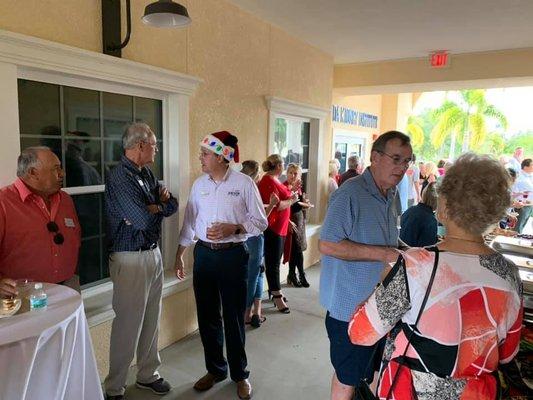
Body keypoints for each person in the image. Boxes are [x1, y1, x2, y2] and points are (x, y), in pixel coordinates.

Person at [349, 153, 523, 399]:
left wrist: (382, 282)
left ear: (443, 207)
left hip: (409, 391)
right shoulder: (509, 275)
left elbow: (360, 333)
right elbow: (507, 353)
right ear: (495, 214)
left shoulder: (415, 266)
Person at [319, 131, 413, 400]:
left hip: (380, 303)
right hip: (349, 307)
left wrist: (409, 251)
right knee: (347, 375)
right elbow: (328, 245)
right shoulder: (350, 194)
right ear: (375, 157)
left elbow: (387, 239)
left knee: (371, 370)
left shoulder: (391, 192)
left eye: (407, 161)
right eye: (396, 159)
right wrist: (385, 253)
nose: (402, 167)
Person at [175, 131, 267, 400]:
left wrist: (235, 227)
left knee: (234, 317)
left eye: (205, 154)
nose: (200, 158)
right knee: (207, 316)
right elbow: (190, 222)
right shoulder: (198, 184)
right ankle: (215, 369)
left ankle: (240, 374)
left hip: (233, 256)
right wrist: (180, 252)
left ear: (221, 157)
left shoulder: (244, 183)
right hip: (203, 255)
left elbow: (260, 222)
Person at [104, 123, 178, 400]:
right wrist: (154, 209)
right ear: (139, 146)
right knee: (127, 323)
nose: (156, 149)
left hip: (152, 253)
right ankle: (114, 387)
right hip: (129, 258)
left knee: (151, 318)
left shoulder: (146, 173)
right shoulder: (120, 177)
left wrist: (156, 206)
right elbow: (141, 219)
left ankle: (148, 375)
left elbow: (173, 204)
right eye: (154, 144)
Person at [0, 146, 81, 298]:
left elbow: (75, 238)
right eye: (55, 169)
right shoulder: (3, 202)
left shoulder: (65, 200)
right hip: (22, 294)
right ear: (32, 172)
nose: (62, 174)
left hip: (68, 286)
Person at [240, 160, 278, 328]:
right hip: (253, 237)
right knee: (254, 275)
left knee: (256, 273)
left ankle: (257, 311)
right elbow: (261, 220)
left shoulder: (234, 188)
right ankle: (248, 313)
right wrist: (272, 205)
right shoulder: (250, 190)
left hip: (242, 238)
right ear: (255, 174)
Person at [258, 154, 297, 314]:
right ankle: (276, 294)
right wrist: (292, 200)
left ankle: (274, 290)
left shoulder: (274, 180)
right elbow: (276, 205)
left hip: (280, 227)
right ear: (279, 166)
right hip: (272, 228)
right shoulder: (267, 181)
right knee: (273, 262)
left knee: (276, 260)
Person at [284, 163, 313, 288]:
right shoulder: (285, 186)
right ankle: (297, 274)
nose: (293, 175)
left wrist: (305, 203)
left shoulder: (299, 187)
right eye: (291, 172)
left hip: (299, 218)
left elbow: (298, 203)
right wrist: (294, 191)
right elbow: (286, 205)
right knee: (294, 249)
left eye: (295, 173)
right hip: (290, 219)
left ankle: (295, 274)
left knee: (298, 248)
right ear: (287, 173)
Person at [399, 182, 438, 247]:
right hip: (413, 255)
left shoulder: (410, 210)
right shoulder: (430, 220)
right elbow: (427, 249)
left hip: (401, 252)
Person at [513, 158, 532, 233]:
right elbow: (514, 191)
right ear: (525, 167)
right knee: (517, 228)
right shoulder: (520, 177)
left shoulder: (531, 176)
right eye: (532, 165)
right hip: (522, 205)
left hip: (530, 205)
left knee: (522, 226)